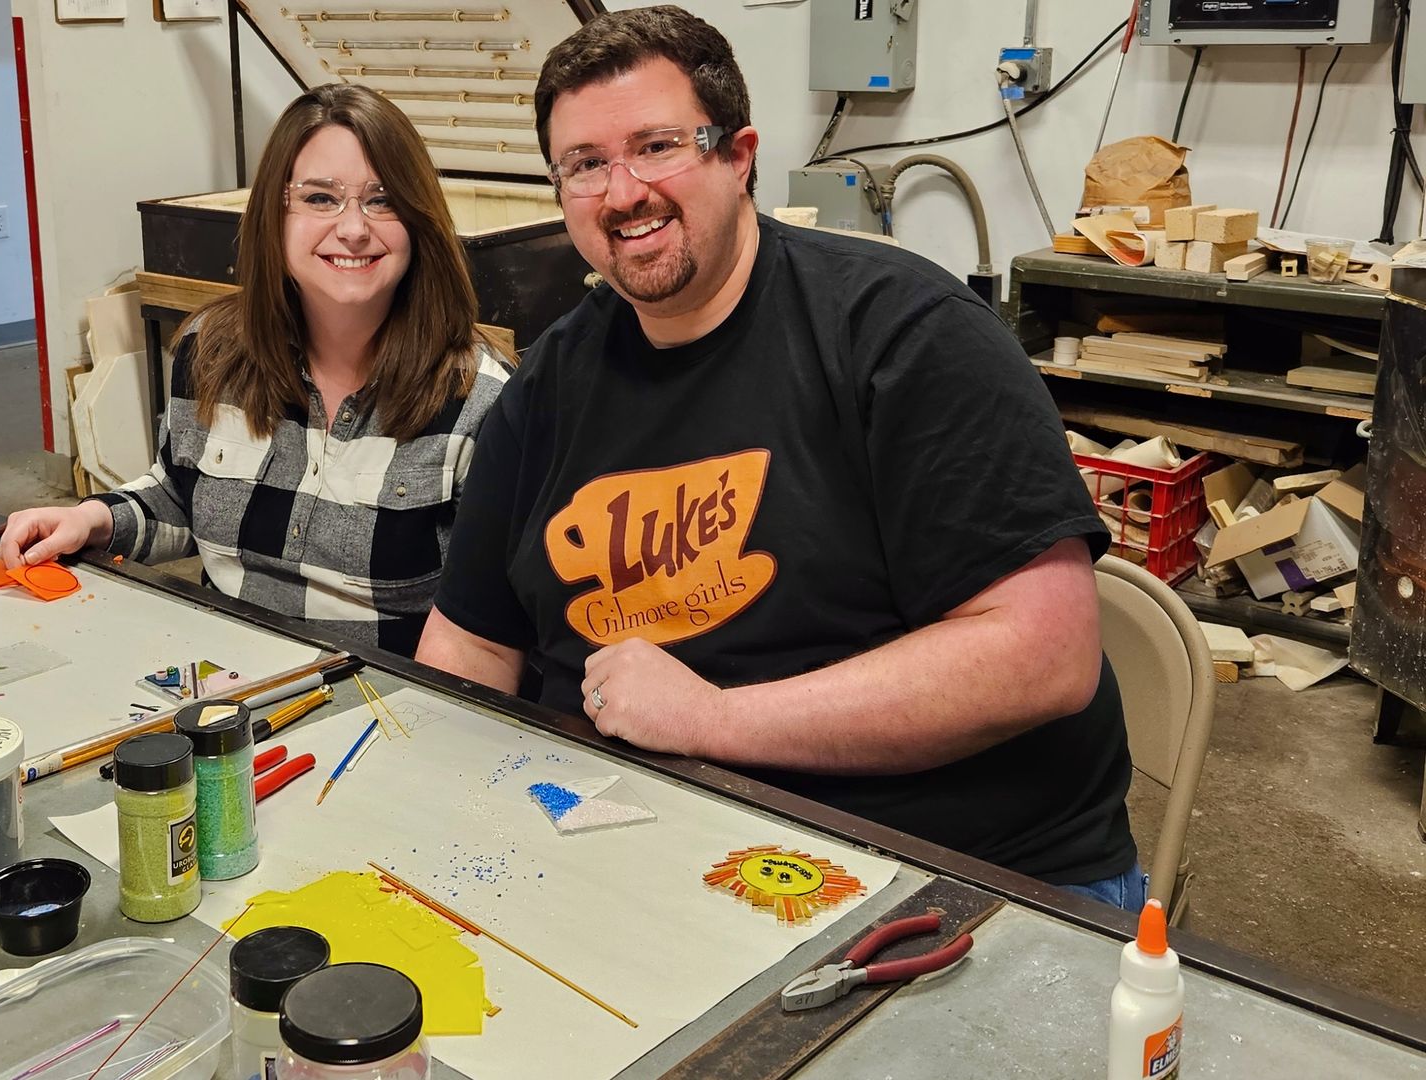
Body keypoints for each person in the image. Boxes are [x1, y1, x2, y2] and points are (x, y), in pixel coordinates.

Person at [416, 7, 1142, 909]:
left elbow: (1043, 654)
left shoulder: (905, 336)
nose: (623, 191)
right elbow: (471, 642)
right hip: (650, 849)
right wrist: (440, 824)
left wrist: (712, 720)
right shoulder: (553, 379)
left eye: (657, 146)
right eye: (586, 164)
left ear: (740, 154)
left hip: (951, 875)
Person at [0, 84, 510, 655]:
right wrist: (92, 520)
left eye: (383, 199)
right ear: (276, 212)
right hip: (222, 676)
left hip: (386, 705)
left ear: (419, 221)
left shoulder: (479, 398)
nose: (353, 228)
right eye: (321, 198)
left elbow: (491, 628)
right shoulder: (213, 348)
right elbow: (182, 494)